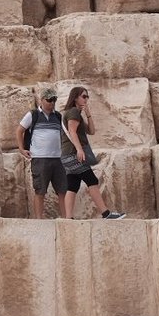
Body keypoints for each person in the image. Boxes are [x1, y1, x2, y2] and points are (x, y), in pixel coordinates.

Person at [59, 86, 125, 220]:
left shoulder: (75, 113)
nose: (86, 99)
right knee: (92, 180)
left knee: (73, 184)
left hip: (67, 156)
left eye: (87, 96)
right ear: (75, 97)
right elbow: (72, 132)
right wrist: (79, 149)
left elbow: (92, 131)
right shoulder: (73, 112)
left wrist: (88, 114)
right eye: (84, 96)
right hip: (73, 154)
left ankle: (68, 218)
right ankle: (106, 214)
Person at [17, 89, 65, 220]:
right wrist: (21, 148)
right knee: (40, 190)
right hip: (40, 158)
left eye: (54, 100)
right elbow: (19, 130)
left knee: (62, 190)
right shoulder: (33, 115)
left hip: (57, 158)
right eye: (49, 100)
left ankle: (66, 218)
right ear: (41, 100)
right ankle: (39, 219)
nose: (52, 103)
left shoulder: (58, 116)